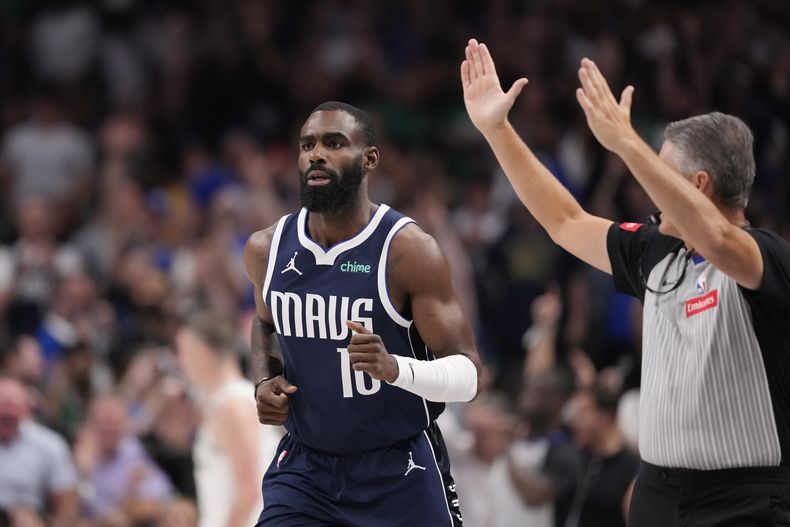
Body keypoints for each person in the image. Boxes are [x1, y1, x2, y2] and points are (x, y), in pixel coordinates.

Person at [461, 38, 790, 525]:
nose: (646, 184)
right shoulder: (657, 251)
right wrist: (497, 130)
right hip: (657, 493)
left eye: (660, 169)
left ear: (697, 184)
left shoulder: (766, 256)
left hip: (742, 503)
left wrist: (626, 142)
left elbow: (719, 239)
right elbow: (565, 222)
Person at [244, 101, 482, 526]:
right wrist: (264, 378)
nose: (316, 154)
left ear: (370, 158)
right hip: (305, 471)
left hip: (397, 469)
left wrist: (395, 369)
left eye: (334, 143)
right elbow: (264, 324)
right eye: (307, 145)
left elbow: (468, 376)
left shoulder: (407, 250)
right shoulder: (267, 248)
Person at [175, 311, 281, 527]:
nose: (180, 363)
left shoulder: (233, 407)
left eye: (183, 352)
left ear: (203, 353)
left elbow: (249, 490)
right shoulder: (226, 403)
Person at [488, 369, 580, 527]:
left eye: (536, 393)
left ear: (557, 401)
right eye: (526, 390)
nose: (525, 399)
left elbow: (534, 496)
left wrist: (506, 450)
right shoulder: (515, 438)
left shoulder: (565, 451)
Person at [73, 394, 173, 524]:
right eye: (103, 422)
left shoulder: (132, 450)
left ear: (125, 425)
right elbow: (79, 510)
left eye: (114, 422)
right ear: (90, 425)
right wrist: (83, 473)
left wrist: (122, 511)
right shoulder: (80, 458)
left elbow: (159, 499)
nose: (108, 428)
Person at [0, 376, 79, 527]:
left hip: (33, 517)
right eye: (3, 404)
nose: (8, 411)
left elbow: (67, 500)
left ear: (26, 409)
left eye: (14, 406)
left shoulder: (49, 444)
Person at [565, 384, 639, 527]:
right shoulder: (577, 457)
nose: (575, 421)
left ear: (605, 416)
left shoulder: (631, 467)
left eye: (583, 413)